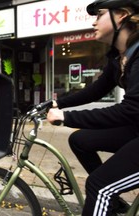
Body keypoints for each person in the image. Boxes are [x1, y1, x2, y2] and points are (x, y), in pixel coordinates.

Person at [47, 0, 139, 215]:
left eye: (99, 15)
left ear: (121, 15)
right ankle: (113, 206)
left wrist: (67, 117)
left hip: (135, 124)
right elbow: (97, 90)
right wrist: (58, 103)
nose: (94, 23)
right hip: (136, 128)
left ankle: (107, 197)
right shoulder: (119, 57)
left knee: (100, 186)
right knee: (79, 140)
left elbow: (131, 110)